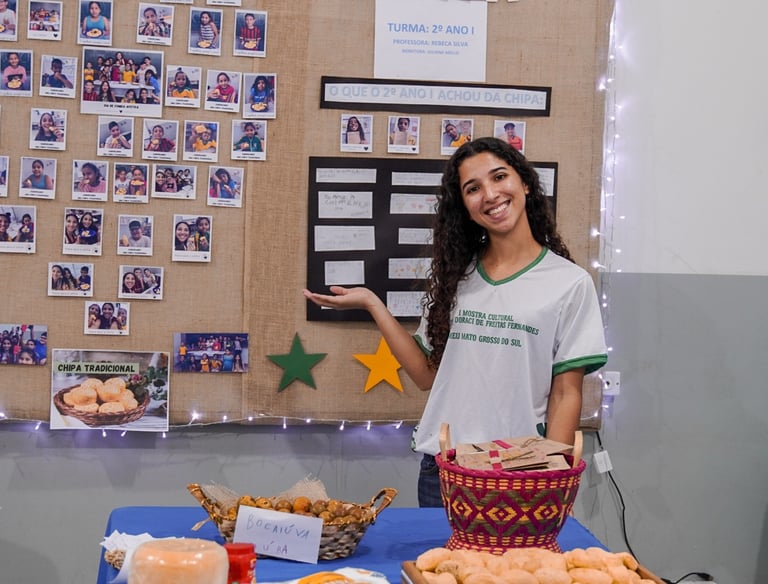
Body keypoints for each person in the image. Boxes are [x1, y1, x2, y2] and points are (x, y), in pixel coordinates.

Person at [304, 137, 608, 507]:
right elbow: (425, 375)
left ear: (525, 183)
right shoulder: (457, 279)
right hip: (445, 471)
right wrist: (373, 304)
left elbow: (566, 393)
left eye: (499, 177)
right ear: (464, 206)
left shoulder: (570, 283)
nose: (490, 194)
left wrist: (550, 480)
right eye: (473, 188)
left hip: (521, 471)